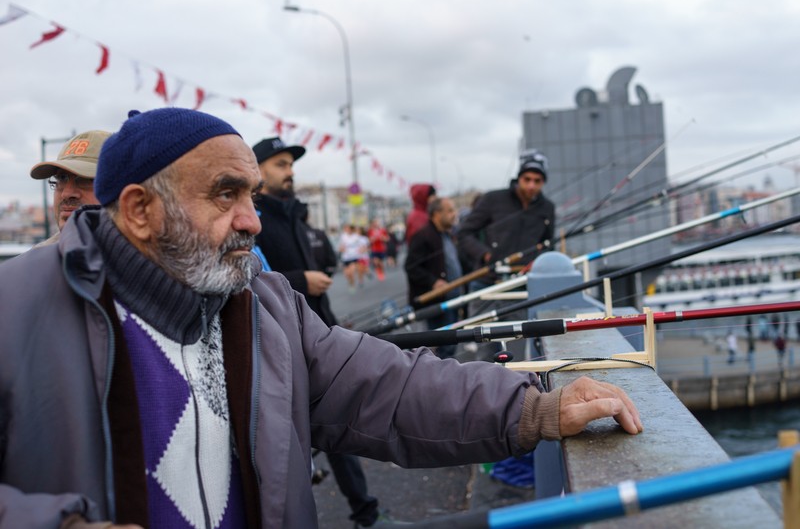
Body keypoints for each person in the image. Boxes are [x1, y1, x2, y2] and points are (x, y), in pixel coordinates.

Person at [0, 107, 642, 529]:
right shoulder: (16, 306)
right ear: (139, 210)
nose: (251, 220)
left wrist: (534, 409)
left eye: (251, 194)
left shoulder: (263, 308)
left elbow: (389, 387)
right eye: (226, 194)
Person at [251, 136, 383, 527]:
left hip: (319, 335)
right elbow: (250, 280)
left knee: (334, 423)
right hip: (278, 345)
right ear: (257, 171)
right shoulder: (253, 219)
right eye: (279, 164)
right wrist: (301, 280)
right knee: (293, 441)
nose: (289, 171)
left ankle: (365, 511)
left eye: (291, 164)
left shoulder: (298, 217)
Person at [457, 152, 555, 361]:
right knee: (484, 353)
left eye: (537, 181)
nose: (531, 185)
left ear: (543, 182)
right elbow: (464, 233)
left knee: (515, 354)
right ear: (518, 178)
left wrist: (537, 263)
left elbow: (548, 245)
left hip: (520, 289)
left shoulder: (548, 208)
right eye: (527, 179)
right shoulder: (493, 199)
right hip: (486, 286)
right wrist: (485, 255)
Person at [404, 197, 463, 359]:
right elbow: (411, 266)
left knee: (450, 345)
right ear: (437, 214)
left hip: (451, 300)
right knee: (438, 348)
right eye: (450, 210)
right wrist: (433, 282)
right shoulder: (423, 236)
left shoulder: (447, 235)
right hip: (436, 304)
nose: (454, 214)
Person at [29, 130, 111, 244]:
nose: (66, 194)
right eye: (61, 178)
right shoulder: (36, 259)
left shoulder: (140, 258)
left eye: (86, 179)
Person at [338, 223, 365, 292]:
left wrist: (361, 250)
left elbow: (362, 245)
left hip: (354, 257)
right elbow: (341, 246)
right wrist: (341, 249)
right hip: (346, 257)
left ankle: (354, 284)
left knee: (352, 272)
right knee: (347, 274)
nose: (346, 230)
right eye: (345, 228)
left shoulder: (356, 236)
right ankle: (351, 283)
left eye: (348, 228)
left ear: (351, 229)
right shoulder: (343, 236)